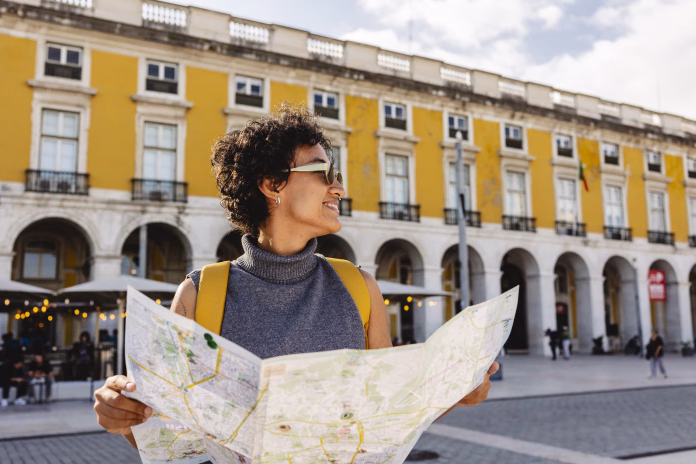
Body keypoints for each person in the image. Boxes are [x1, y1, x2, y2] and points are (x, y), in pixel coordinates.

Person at [93, 105, 499, 448]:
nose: (338, 188)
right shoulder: (202, 293)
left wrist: (456, 393)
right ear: (273, 184)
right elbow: (167, 433)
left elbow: (387, 409)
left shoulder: (359, 286)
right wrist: (124, 415)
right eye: (324, 172)